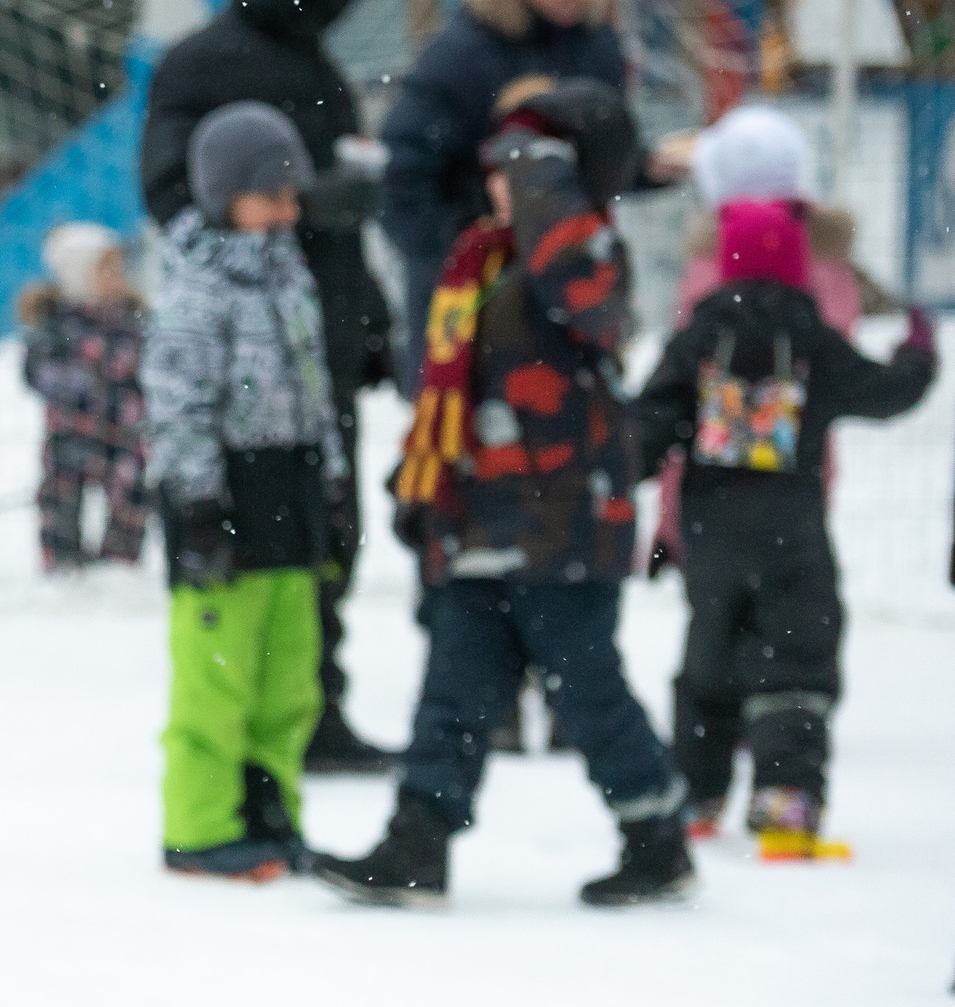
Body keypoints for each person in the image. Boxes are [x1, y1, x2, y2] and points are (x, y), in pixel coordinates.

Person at [322, 79, 690, 909]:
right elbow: (456, 386)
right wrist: (425, 485)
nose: (503, 182)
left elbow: (589, 307)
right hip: (481, 521)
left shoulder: (586, 253)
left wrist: (549, 185)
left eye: (524, 169)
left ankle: (655, 831)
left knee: (586, 689)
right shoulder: (479, 259)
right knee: (453, 690)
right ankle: (419, 839)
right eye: (501, 168)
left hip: (566, 521)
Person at [140, 0, 400, 775]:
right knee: (236, 552)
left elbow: (339, 234)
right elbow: (175, 196)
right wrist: (319, 201)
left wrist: (371, 321)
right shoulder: (203, 63)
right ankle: (232, 734)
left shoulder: (321, 68)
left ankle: (312, 711)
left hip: (312, 339)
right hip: (235, 357)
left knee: (327, 535)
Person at [632, 187, 937, 850]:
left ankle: (697, 793)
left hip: (709, 532)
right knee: (796, 657)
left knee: (709, 656)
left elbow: (649, 426)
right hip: (791, 530)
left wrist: (616, 467)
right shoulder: (811, 337)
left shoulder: (699, 336)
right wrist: (917, 352)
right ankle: (786, 799)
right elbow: (885, 392)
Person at [143, 104, 342, 881]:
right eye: (273, 195)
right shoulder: (196, 287)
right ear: (226, 193)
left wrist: (329, 477)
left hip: (288, 489)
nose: (288, 212)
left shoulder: (292, 273)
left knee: (288, 672)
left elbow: (315, 385)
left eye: (294, 197)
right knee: (217, 674)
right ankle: (199, 824)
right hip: (224, 499)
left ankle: (268, 809)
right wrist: (197, 504)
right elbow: (177, 404)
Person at [381, 0, 668, 391]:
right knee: (462, 422)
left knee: (573, 420)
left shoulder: (598, 49)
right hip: (474, 282)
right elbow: (404, 173)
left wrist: (645, 166)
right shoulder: (460, 58)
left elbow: (597, 165)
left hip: (570, 274)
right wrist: (465, 241)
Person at [651, 107, 868, 578]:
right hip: (800, 491)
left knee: (717, 637)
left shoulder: (711, 269)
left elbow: (688, 396)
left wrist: (669, 520)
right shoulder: (827, 264)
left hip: (714, 496)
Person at [20, 222, 148, 569]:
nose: (117, 277)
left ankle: (120, 565)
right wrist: (88, 369)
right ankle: (62, 564)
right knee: (60, 499)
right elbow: (36, 374)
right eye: (105, 270)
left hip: (123, 435)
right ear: (78, 276)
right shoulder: (55, 324)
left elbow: (147, 370)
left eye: (119, 268)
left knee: (132, 496)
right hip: (71, 434)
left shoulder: (132, 320)